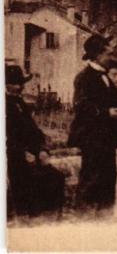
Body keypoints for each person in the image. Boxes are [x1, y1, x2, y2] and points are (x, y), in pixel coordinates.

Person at [68, 35, 117, 216]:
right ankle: (84, 221)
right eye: (108, 53)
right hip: (91, 138)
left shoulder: (106, 77)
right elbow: (81, 106)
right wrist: (106, 112)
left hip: (107, 139)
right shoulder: (84, 77)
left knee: (108, 180)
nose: (111, 57)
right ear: (96, 55)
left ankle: (105, 221)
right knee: (90, 180)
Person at [6, 65, 66, 220]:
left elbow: (33, 131)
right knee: (25, 180)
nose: (19, 87)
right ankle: (25, 216)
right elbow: (7, 136)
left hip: (31, 153)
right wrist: (22, 153)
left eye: (21, 83)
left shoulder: (20, 103)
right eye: (14, 84)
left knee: (56, 177)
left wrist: (41, 149)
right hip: (13, 155)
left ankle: (51, 217)